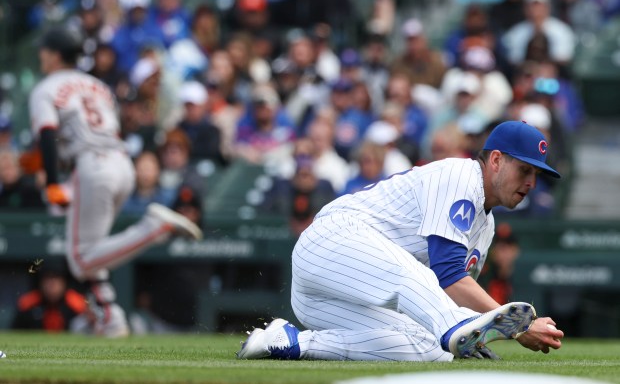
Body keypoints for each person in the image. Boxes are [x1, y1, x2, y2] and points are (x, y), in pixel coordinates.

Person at [237, 120, 564, 362]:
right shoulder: (460, 176)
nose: (531, 183)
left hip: (326, 300)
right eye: (525, 170)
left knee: (433, 350)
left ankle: (290, 341)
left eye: (536, 175)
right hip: (331, 242)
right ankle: (452, 330)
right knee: (432, 298)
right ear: (495, 160)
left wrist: (473, 338)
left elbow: (454, 296)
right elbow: (447, 273)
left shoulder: (486, 226)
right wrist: (520, 325)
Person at [28, 26, 203, 338]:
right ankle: (110, 317)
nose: (41, 55)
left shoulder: (46, 88)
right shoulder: (97, 85)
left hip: (92, 167)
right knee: (90, 250)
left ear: (55, 54)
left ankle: (152, 228)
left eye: (44, 50)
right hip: (122, 163)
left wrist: (53, 182)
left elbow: (47, 134)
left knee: (80, 259)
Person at [11, 258, 87, 332]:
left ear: (64, 282)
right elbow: (14, 332)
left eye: (56, 278)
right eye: (48, 279)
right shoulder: (28, 303)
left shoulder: (77, 303)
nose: (52, 284)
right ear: (40, 282)